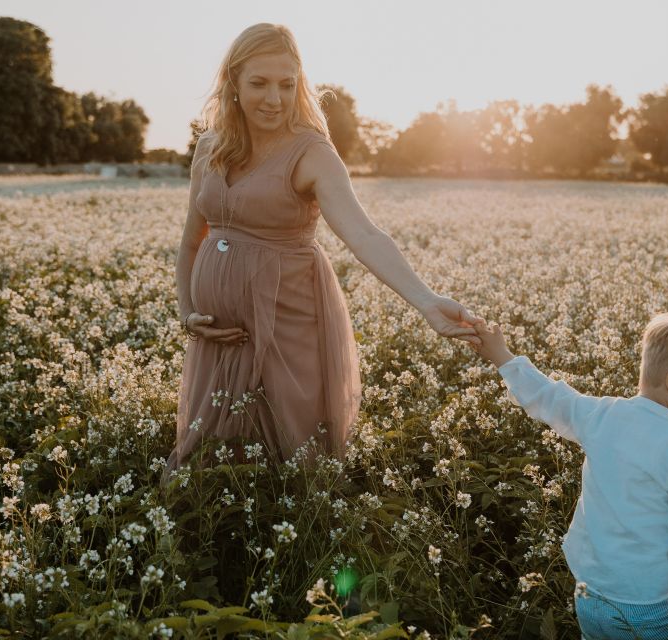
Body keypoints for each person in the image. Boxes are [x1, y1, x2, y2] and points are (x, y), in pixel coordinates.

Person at [166, 23, 481, 474]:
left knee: (293, 457)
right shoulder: (209, 149)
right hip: (218, 336)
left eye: (287, 84)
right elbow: (191, 241)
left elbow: (365, 235)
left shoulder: (311, 153)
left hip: (287, 325)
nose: (274, 98)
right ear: (233, 82)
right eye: (259, 83)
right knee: (213, 469)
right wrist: (186, 311)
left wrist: (426, 301)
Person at [469, 312, 668, 640]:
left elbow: (549, 397)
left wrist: (501, 355)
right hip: (651, 608)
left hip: (590, 598)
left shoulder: (603, 414)